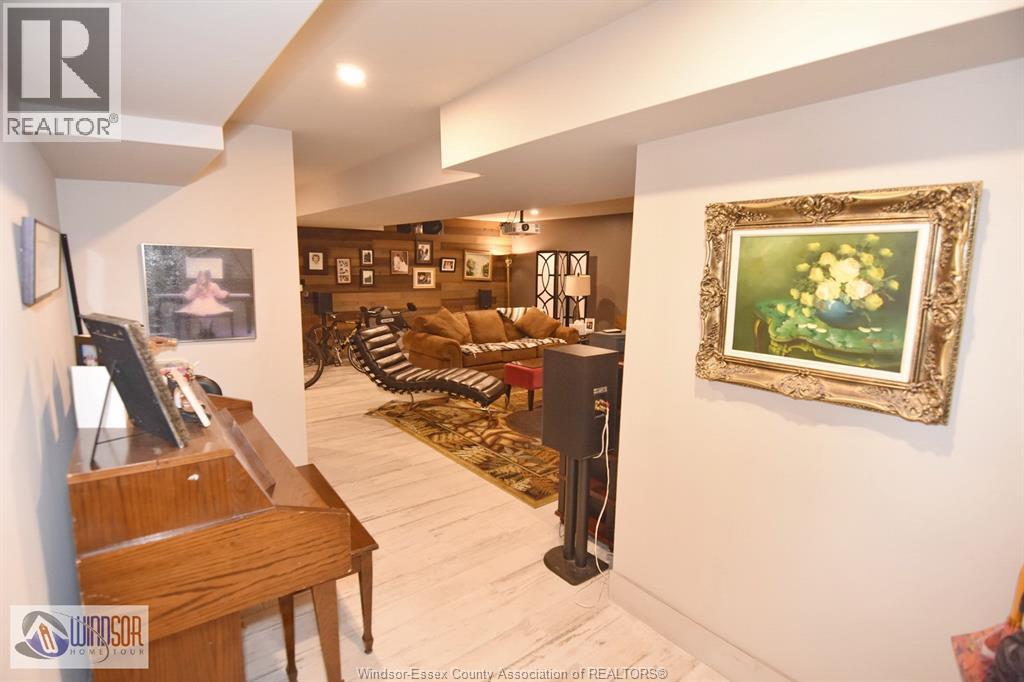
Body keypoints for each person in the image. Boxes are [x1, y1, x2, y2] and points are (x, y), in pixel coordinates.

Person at [177, 270, 231, 338]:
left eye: (204, 276)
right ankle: (203, 330)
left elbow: (219, 294)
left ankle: (207, 330)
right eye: (200, 276)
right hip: (198, 303)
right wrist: (186, 293)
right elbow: (191, 296)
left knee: (209, 313)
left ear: (208, 277)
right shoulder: (194, 286)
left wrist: (226, 293)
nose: (202, 278)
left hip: (210, 303)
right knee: (199, 313)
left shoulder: (213, 285)